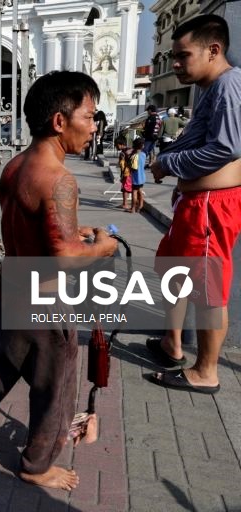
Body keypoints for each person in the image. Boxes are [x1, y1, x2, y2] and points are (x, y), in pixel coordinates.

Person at [0, 71, 117, 490]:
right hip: (46, 298)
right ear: (60, 120)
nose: (94, 127)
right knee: (53, 385)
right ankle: (37, 466)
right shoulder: (59, 180)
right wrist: (103, 248)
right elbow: (66, 259)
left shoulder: (16, 166)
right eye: (90, 117)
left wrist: (76, 232)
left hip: (13, 283)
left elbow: (36, 227)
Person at [149, 14, 241, 394]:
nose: (175, 64)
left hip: (209, 205)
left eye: (183, 55)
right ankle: (172, 345)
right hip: (196, 202)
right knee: (171, 269)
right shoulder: (213, 88)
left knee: (207, 288)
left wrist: (167, 163)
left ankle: (206, 371)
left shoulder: (229, 86)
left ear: (213, 50)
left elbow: (225, 148)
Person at [142, 105, 163, 173]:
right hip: (155, 137)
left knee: (145, 151)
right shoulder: (158, 117)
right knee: (151, 150)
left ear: (150, 110)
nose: (147, 112)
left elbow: (149, 128)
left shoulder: (151, 118)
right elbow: (159, 127)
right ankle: (151, 164)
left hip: (149, 137)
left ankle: (141, 164)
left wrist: (144, 131)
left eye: (148, 110)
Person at [115, 135, 133, 210]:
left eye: (116, 145)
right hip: (129, 173)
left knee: (126, 189)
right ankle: (126, 203)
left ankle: (125, 204)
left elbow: (122, 164)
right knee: (127, 188)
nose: (116, 147)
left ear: (121, 144)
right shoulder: (129, 150)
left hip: (127, 173)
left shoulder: (124, 152)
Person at [129, 138, 146, 213]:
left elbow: (132, 167)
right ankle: (140, 206)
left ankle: (133, 208)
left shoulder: (134, 156)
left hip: (136, 177)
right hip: (142, 177)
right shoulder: (144, 155)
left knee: (134, 192)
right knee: (140, 191)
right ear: (142, 146)